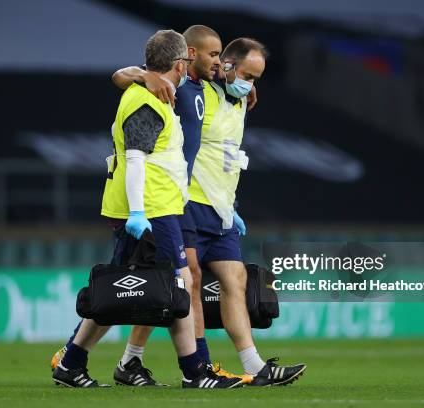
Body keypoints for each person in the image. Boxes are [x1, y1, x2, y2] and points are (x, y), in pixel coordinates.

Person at [52, 25, 249, 385]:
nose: (215, 61)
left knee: (128, 290)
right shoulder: (148, 98)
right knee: (169, 286)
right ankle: (194, 371)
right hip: (152, 209)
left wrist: (223, 202)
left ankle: (75, 361)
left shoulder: (174, 90)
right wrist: (140, 212)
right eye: (208, 54)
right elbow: (139, 160)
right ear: (182, 60)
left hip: (166, 204)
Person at [186, 37, 306, 386]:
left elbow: (225, 159)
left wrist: (232, 206)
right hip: (189, 204)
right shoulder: (195, 93)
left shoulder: (239, 103)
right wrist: (137, 74)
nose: (250, 84)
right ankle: (131, 360)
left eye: (256, 79)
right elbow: (151, 70)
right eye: (247, 75)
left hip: (221, 211)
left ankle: (254, 367)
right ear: (226, 63)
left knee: (234, 279)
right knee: (176, 288)